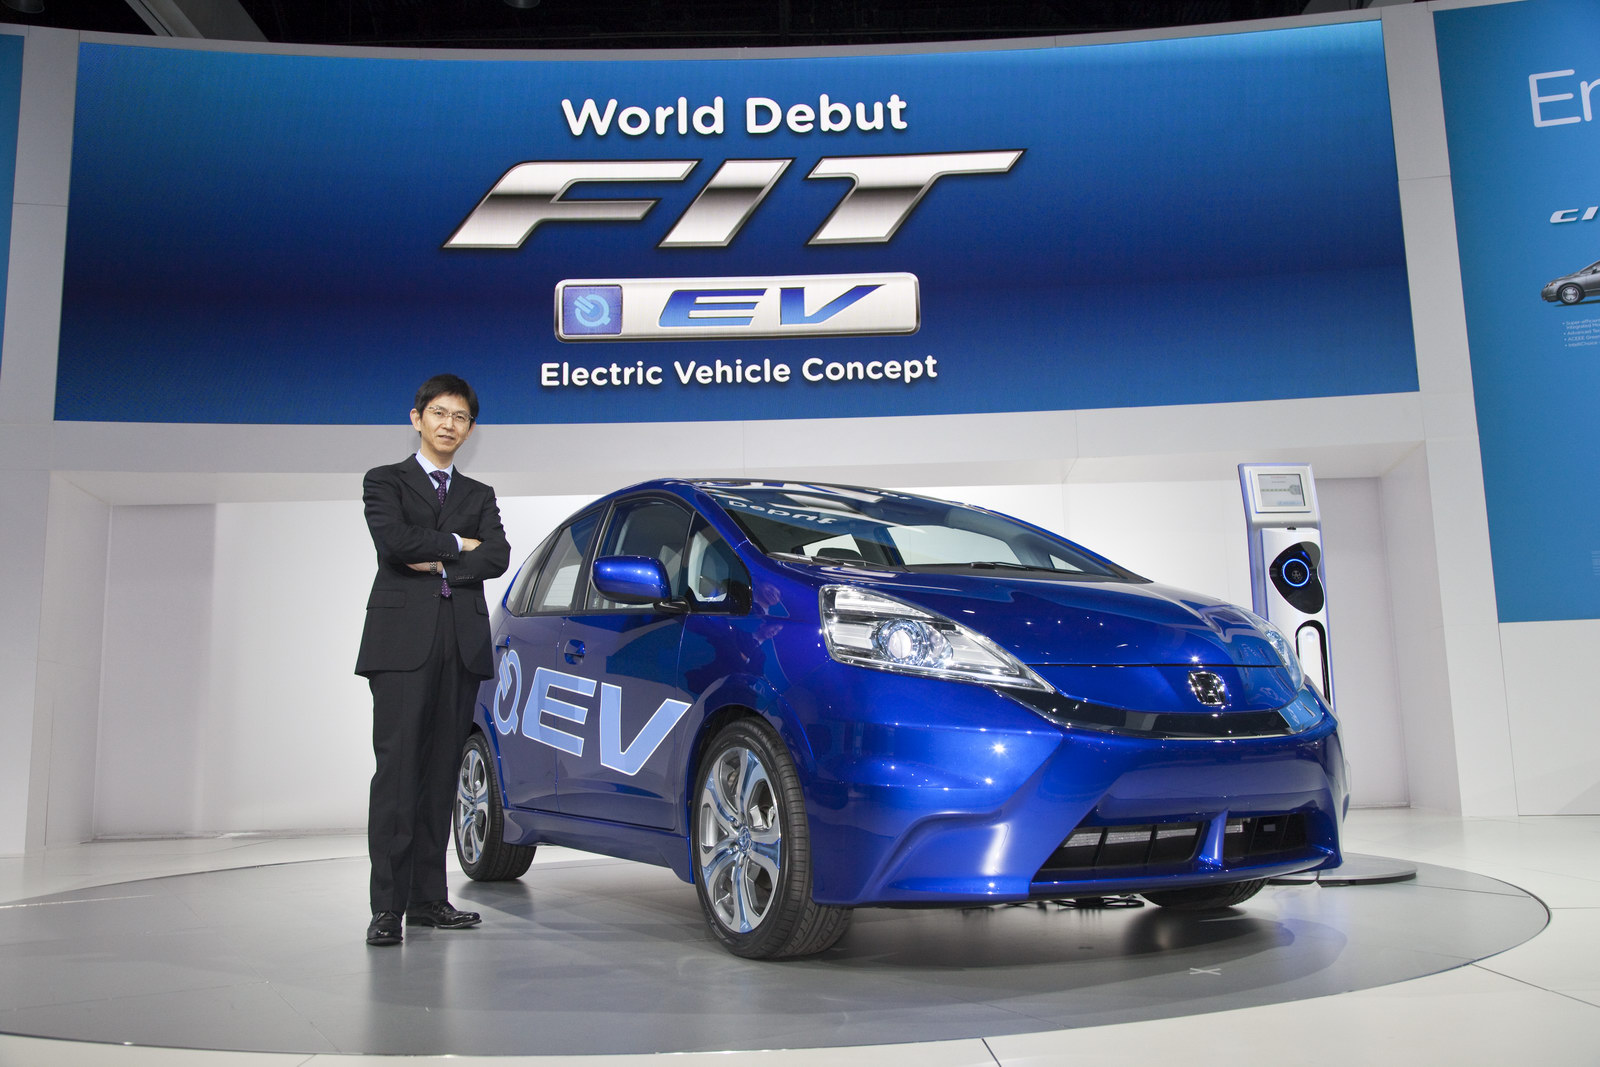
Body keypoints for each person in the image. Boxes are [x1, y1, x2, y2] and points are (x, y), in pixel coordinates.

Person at [355, 374, 510, 946]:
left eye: (460, 417)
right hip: (401, 645)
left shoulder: (479, 494)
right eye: (440, 413)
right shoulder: (384, 480)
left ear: (470, 429)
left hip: (461, 646)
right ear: (417, 418)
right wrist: (458, 545)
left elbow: (498, 556)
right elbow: (394, 542)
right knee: (398, 776)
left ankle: (427, 900)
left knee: (442, 776)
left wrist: (438, 555)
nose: (449, 424)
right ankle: (387, 908)